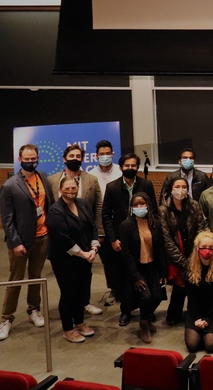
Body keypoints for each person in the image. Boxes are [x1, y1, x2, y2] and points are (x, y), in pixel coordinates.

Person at [1, 145, 55, 340]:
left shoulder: (42, 176)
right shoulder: (10, 185)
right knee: (15, 280)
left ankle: (34, 310)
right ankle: (6, 318)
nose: (31, 161)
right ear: (19, 158)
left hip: (42, 236)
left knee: (36, 276)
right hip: (21, 242)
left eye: (34, 158)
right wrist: (15, 242)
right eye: (27, 158)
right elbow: (7, 219)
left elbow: (47, 205)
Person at [101, 153, 157, 326]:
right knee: (125, 278)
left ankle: (145, 311)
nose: (130, 168)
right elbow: (106, 215)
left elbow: (153, 209)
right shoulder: (112, 187)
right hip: (121, 239)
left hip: (143, 237)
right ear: (120, 168)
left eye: (134, 165)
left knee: (144, 276)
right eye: (127, 166)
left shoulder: (146, 184)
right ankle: (126, 311)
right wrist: (113, 239)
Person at [48, 144, 104, 316]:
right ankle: (70, 309)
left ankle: (84, 303)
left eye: (78, 156)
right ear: (64, 159)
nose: (75, 159)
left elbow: (98, 207)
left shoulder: (91, 179)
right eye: (71, 156)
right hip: (62, 234)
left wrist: (98, 234)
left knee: (85, 273)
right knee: (67, 280)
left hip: (85, 235)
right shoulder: (51, 180)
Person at [46, 177, 99, 343]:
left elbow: (93, 227)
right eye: (67, 189)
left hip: (85, 256)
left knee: (81, 292)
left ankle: (80, 323)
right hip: (64, 260)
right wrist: (84, 254)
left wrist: (93, 248)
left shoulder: (83, 204)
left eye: (73, 188)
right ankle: (68, 329)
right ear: (60, 190)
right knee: (69, 293)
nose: (71, 192)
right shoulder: (55, 211)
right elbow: (63, 238)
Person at [119, 192, 167, 344]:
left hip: (152, 267)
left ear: (148, 205)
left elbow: (161, 249)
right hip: (137, 269)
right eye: (136, 205)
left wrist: (163, 271)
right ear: (131, 208)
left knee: (158, 296)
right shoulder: (126, 225)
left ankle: (145, 317)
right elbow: (126, 254)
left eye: (142, 204)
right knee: (146, 297)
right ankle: (144, 324)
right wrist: (135, 277)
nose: (139, 207)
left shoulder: (156, 224)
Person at [159, 178, 207, 325]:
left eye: (184, 186)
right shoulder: (163, 210)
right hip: (175, 255)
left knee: (196, 285)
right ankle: (173, 316)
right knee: (179, 288)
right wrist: (183, 262)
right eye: (177, 186)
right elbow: (166, 239)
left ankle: (195, 314)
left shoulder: (194, 205)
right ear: (171, 190)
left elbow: (201, 226)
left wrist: (195, 256)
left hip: (194, 251)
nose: (181, 189)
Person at [86, 140, 120, 306]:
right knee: (108, 260)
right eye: (102, 154)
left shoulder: (121, 171)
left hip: (121, 222)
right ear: (96, 156)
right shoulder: (91, 175)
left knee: (124, 258)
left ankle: (126, 288)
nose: (105, 157)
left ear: (113, 154)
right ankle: (114, 289)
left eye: (108, 154)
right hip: (101, 223)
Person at [184, 231, 213, 353]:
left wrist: (207, 319)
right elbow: (190, 295)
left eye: (210, 248)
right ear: (197, 248)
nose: (207, 250)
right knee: (192, 346)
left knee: (210, 346)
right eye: (203, 247)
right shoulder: (189, 266)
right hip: (195, 310)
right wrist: (197, 317)